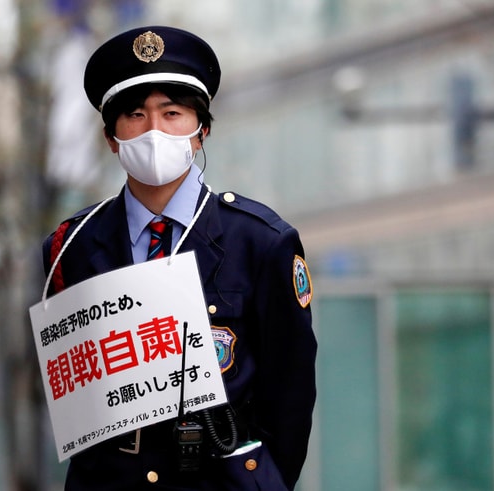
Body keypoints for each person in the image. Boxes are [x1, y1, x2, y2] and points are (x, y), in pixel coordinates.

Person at [41, 25, 317, 490]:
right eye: (135, 115)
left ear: (201, 130)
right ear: (111, 136)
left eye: (172, 113)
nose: (153, 130)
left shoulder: (260, 242)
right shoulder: (70, 247)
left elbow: (290, 398)